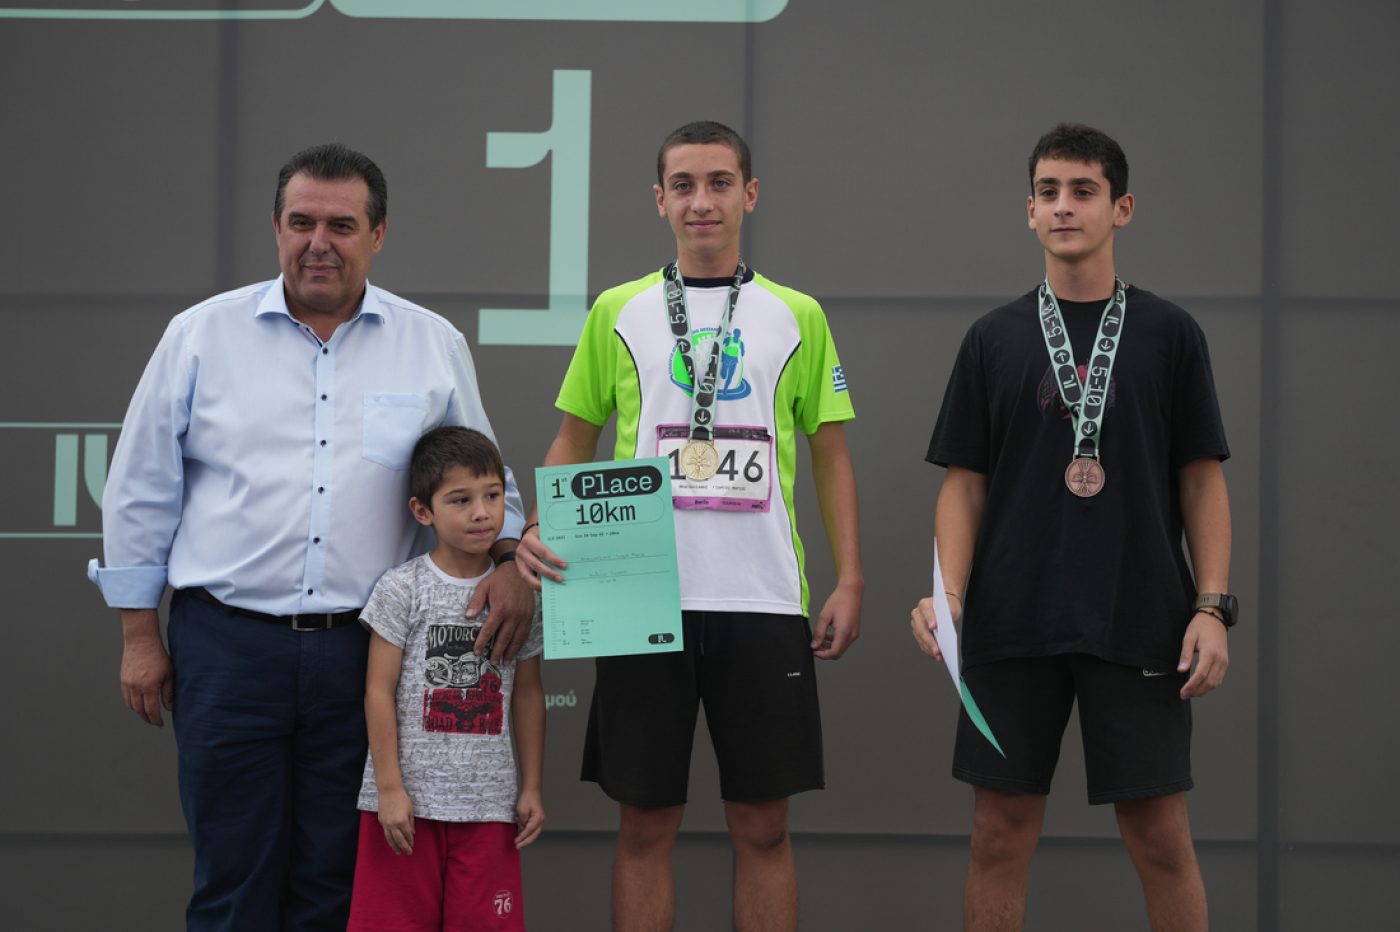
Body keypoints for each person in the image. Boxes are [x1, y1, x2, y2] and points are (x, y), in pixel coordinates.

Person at [87, 142, 534, 931]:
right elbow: (140, 487)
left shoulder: (430, 344)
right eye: (301, 223)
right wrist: (138, 635)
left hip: (365, 657)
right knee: (232, 879)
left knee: (337, 884)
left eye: (341, 225)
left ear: (378, 234)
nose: (318, 243)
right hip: (226, 650)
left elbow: (484, 477)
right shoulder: (201, 335)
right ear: (276, 226)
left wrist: (507, 559)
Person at [514, 120, 863, 932]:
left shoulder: (798, 314)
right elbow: (574, 436)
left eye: (718, 182)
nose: (700, 201)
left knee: (763, 828)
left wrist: (850, 577)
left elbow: (832, 454)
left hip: (762, 599)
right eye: (683, 185)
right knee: (644, 826)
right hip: (639, 597)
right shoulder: (618, 309)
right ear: (659, 200)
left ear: (750, 194)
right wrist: (538, 522)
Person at [910, 122, 1235, 931]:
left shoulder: (1170, 334)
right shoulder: (993, 338)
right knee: (997, 834)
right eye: (1048, 192)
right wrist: (949, 595)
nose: (1064, 207)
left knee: (1161, 839)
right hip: (1011, 621)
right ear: (1029, 210)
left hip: (1142, 617)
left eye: (1083, 191)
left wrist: (1212, 606)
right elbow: (964, 485)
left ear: (1121, 208)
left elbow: (1202, 480)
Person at [348, 427, 544, 932]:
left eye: (493, 496)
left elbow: (527, 694)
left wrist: (531, 787)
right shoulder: (401, 588)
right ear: (423, 511)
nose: (482, 513)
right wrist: (389, 789)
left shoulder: (520, 599)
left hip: (489, 807)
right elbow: (378, 692)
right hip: (405, 810)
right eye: (461, 500)